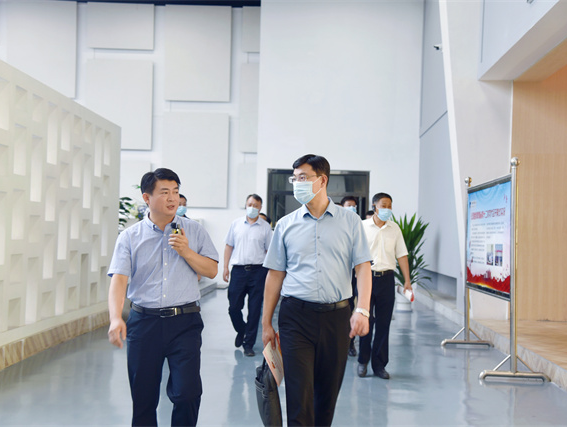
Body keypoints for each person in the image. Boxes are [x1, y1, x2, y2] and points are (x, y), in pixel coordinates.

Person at [261, 154, 373, 426]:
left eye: (303, 178)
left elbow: (362, 267)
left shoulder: (350, 222)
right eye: (294, 178)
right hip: (295, 317)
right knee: (298, 396)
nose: (297, 183)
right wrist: (266, 323)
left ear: (322, 180)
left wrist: (362, 309)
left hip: (337, 317)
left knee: (326, 396)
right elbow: (275, 275)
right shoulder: (285, 225)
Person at [107, 168, 219, 426]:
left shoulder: (194, 231)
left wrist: (186, 251)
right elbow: (119, 280)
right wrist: (115, 318)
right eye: (165, 192)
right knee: (143, 398)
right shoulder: (129, 237)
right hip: (144, 323)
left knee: (188, 393)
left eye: (176, 192)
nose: (172, 198)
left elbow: (212, 270)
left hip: (185, 322)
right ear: (147, 198)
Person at [357, 192, 412, 380]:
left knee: (384, 323)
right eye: (384, 205)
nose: (387, 209)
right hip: (366, 278)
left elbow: (402, 255)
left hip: (387, 280)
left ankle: (379, 365)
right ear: (374, 206)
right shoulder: (362, 227)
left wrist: (407, 280)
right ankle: (363, 361)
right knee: (365, 320)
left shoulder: (394, 229)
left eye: (390, 206)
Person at [223, 194, 273, 357]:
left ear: (260, 207)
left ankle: (248, 344)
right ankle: (241, 329)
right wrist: (225, 267)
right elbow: (229, 246)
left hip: (258, 272)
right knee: (234, 307)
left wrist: (270, 274)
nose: (252, 207)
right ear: (246, 205)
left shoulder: (265, 227)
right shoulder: (236, 224)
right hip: (238, 271)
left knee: (254, 309)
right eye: (250, 204)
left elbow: (269, 251)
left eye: (256, 205)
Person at [340, 196, 360, 357]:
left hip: (354, 274)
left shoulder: (357, 225)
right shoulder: (338, 224)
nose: (352, 208)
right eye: (349, 205)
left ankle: (350, 343)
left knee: (351, 307)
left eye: (354, 206)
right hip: (340, 273)